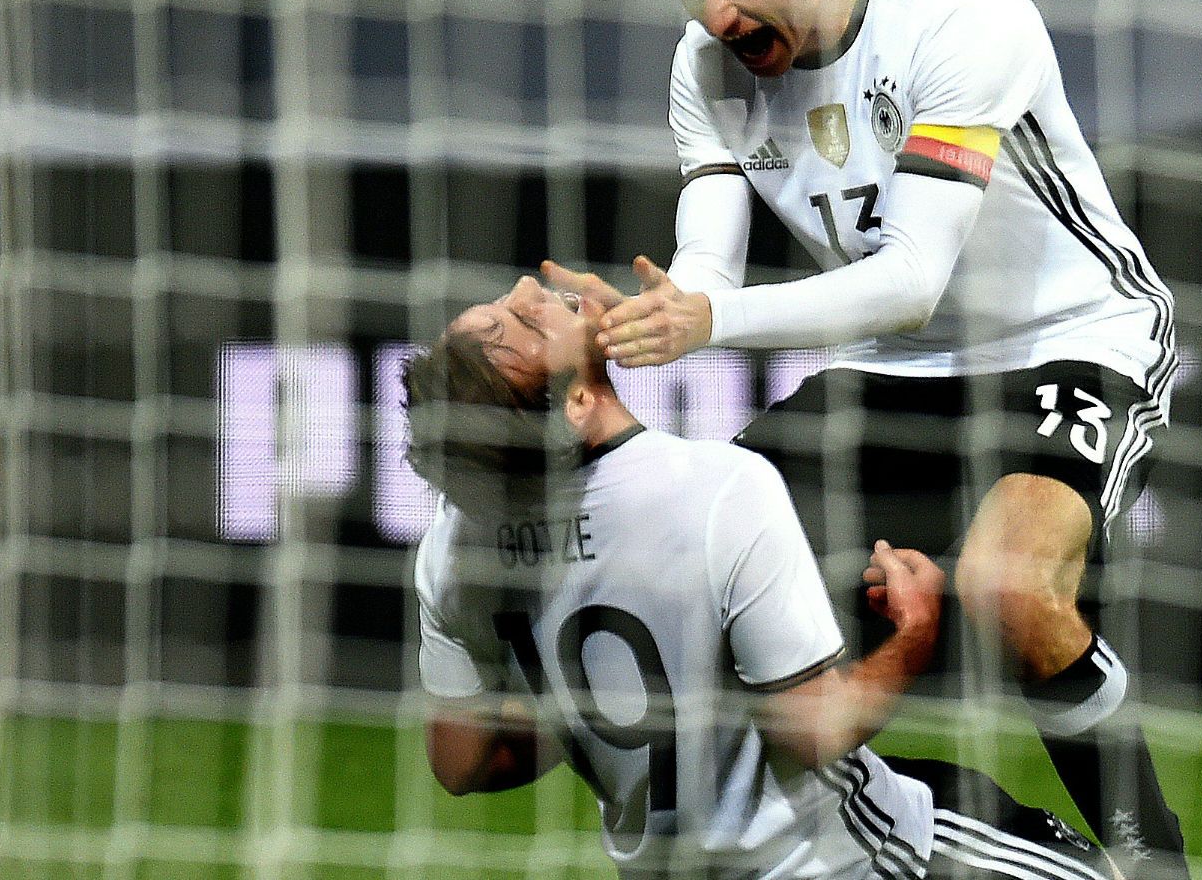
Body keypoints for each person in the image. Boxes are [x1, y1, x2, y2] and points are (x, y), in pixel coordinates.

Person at [541, 0, 1188, 878]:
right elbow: (709, 267)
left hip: (1073, 335)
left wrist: (713, 321)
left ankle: (1152, 862)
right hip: (896, 372)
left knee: (1011, 588)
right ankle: (911, 840)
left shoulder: (957, 18)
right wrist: (653, 317)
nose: (717, 13)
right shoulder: (705, 66)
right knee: (696, 573)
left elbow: (909, 282)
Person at [404, 275, 1123, 880]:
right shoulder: (717, 488)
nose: (531, 286)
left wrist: (597, 708)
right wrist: (917, 630)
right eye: (524, 318)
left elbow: (464, 761)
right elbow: (814, 731)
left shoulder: (448, 548)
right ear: (576, 403)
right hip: (849, 860)